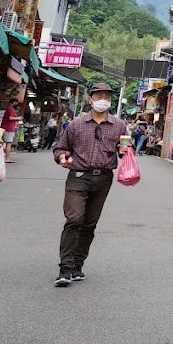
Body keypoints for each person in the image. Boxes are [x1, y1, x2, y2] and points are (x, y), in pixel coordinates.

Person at [52, 83, 130, 287]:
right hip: (78, 176)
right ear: (90, 99)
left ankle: (78, 265)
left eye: (107, 96)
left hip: (103, 179)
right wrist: (62, 157)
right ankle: (65, 268)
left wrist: (125, 152)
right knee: (74, 219)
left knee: (89, 224)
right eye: (99, 95)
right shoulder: (76, 124)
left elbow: (123, 151)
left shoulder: (119, 126)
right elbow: (60, 148)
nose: (103, 98)